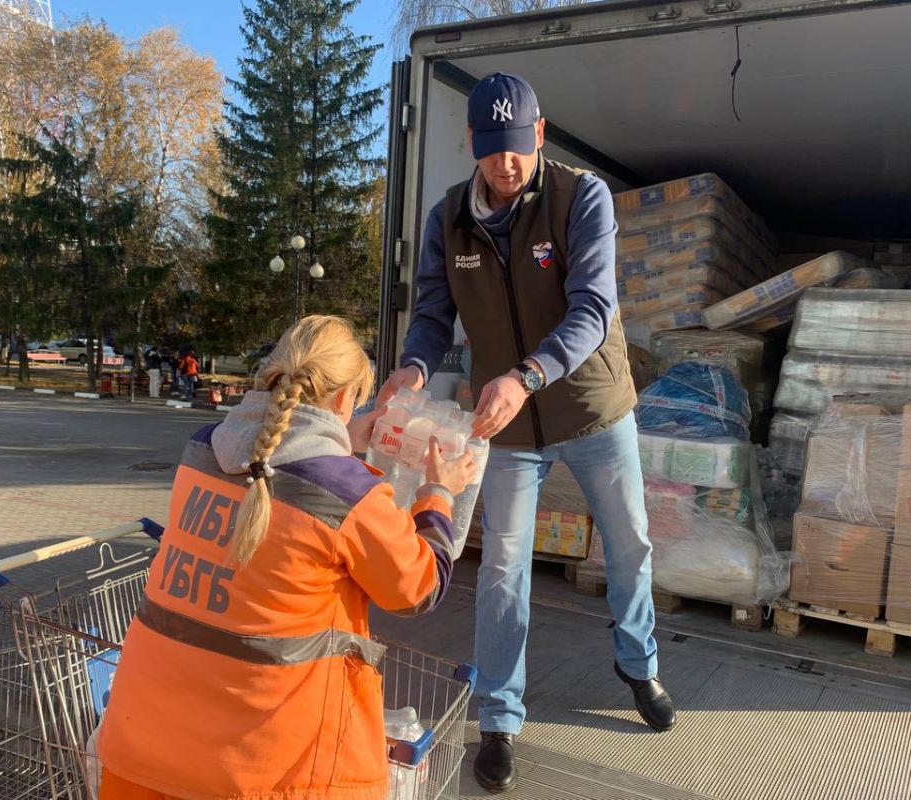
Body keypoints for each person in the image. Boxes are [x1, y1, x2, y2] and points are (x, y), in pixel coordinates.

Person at [378, 72, 674, 792]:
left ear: (538, 135)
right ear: (474, 145)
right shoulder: (450, 219)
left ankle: (639, 666)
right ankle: (499, 718)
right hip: (503, 425)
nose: (506, 165)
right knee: (504, 570)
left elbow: (594, 305)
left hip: (593, 407)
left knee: (629, 542)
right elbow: (430, 313)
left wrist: (527, 374)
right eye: (492, 151)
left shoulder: (581, 198)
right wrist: (413, 369)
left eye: (518, 148)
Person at [97, 315, 477, 800]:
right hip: (269, 770)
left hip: (144, 750)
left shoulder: (201, 453)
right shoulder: (346, 494)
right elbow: (418, 589)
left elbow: (281, 478)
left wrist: (341, 446)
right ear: (344, 399)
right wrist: (439, 494)